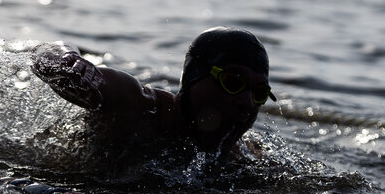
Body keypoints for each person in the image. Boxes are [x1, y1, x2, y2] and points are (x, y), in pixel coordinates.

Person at [30, 26, 275, 167]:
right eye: (233, 83)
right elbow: (44, 54)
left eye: (260, 93)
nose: (247, 103)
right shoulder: (138, 107)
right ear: (194, 79)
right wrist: (68, 63)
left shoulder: (243, 157)